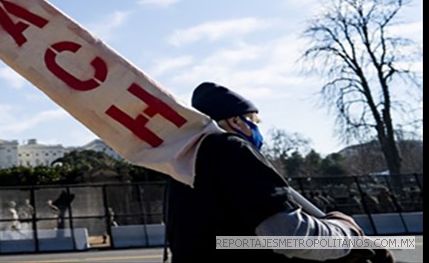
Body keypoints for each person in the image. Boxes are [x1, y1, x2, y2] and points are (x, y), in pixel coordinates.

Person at [163, 81, 395, 263]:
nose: (257, 129)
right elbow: (285, 235)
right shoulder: (232, 149)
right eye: (254, 121)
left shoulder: (183, 165)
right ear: (236, 121)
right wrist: (346, 233)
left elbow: (230, 241)